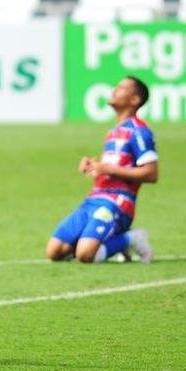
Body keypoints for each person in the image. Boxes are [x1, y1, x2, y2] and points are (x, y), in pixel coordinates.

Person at [46, 76, 158, 264]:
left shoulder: (139, 131)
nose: (114, 90)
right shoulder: (113, 132)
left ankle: (131, 238)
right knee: (55, 251)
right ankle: (112, 242)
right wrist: (94, 168)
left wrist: (108, 168)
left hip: (117, 204)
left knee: (85, 255)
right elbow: (113, 170)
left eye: (122, 87)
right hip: (93, 200)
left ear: (135, 100)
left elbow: (151, 173)